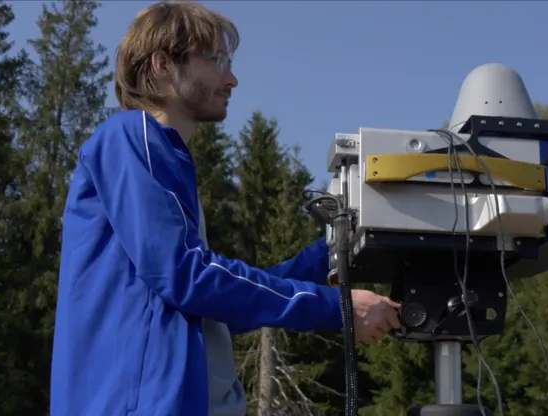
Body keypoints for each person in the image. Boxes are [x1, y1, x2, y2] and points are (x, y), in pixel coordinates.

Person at [49, 1, 402, 415]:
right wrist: (335, 307)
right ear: (162, 64)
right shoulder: (131, 135)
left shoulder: (164, 164)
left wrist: (328, 254)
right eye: (215, 60)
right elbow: (184, 274)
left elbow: (212, 312)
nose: (231, 78)